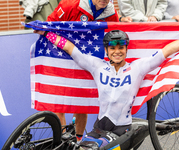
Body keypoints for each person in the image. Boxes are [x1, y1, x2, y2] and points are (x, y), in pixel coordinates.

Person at [34, 26, 179, 148]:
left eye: (121, 47)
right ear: (106, 50)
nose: (117, 51)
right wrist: (47, 33)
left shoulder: (137, 68)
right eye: (112, 48)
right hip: (99, 129)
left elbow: (166, 51)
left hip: (121, 131)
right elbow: (72, 49)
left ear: (126, 49)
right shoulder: (97, 66)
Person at [44, 0, 131, 142]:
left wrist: (122, 20)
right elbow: (50, 24)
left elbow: (115, 36)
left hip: (86, 61)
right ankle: (62, 141)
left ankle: (77, 141)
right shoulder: (69, 5)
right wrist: (42, 30)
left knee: (81, 103)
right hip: (63, 57)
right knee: (59, 104)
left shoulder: (110, 12)